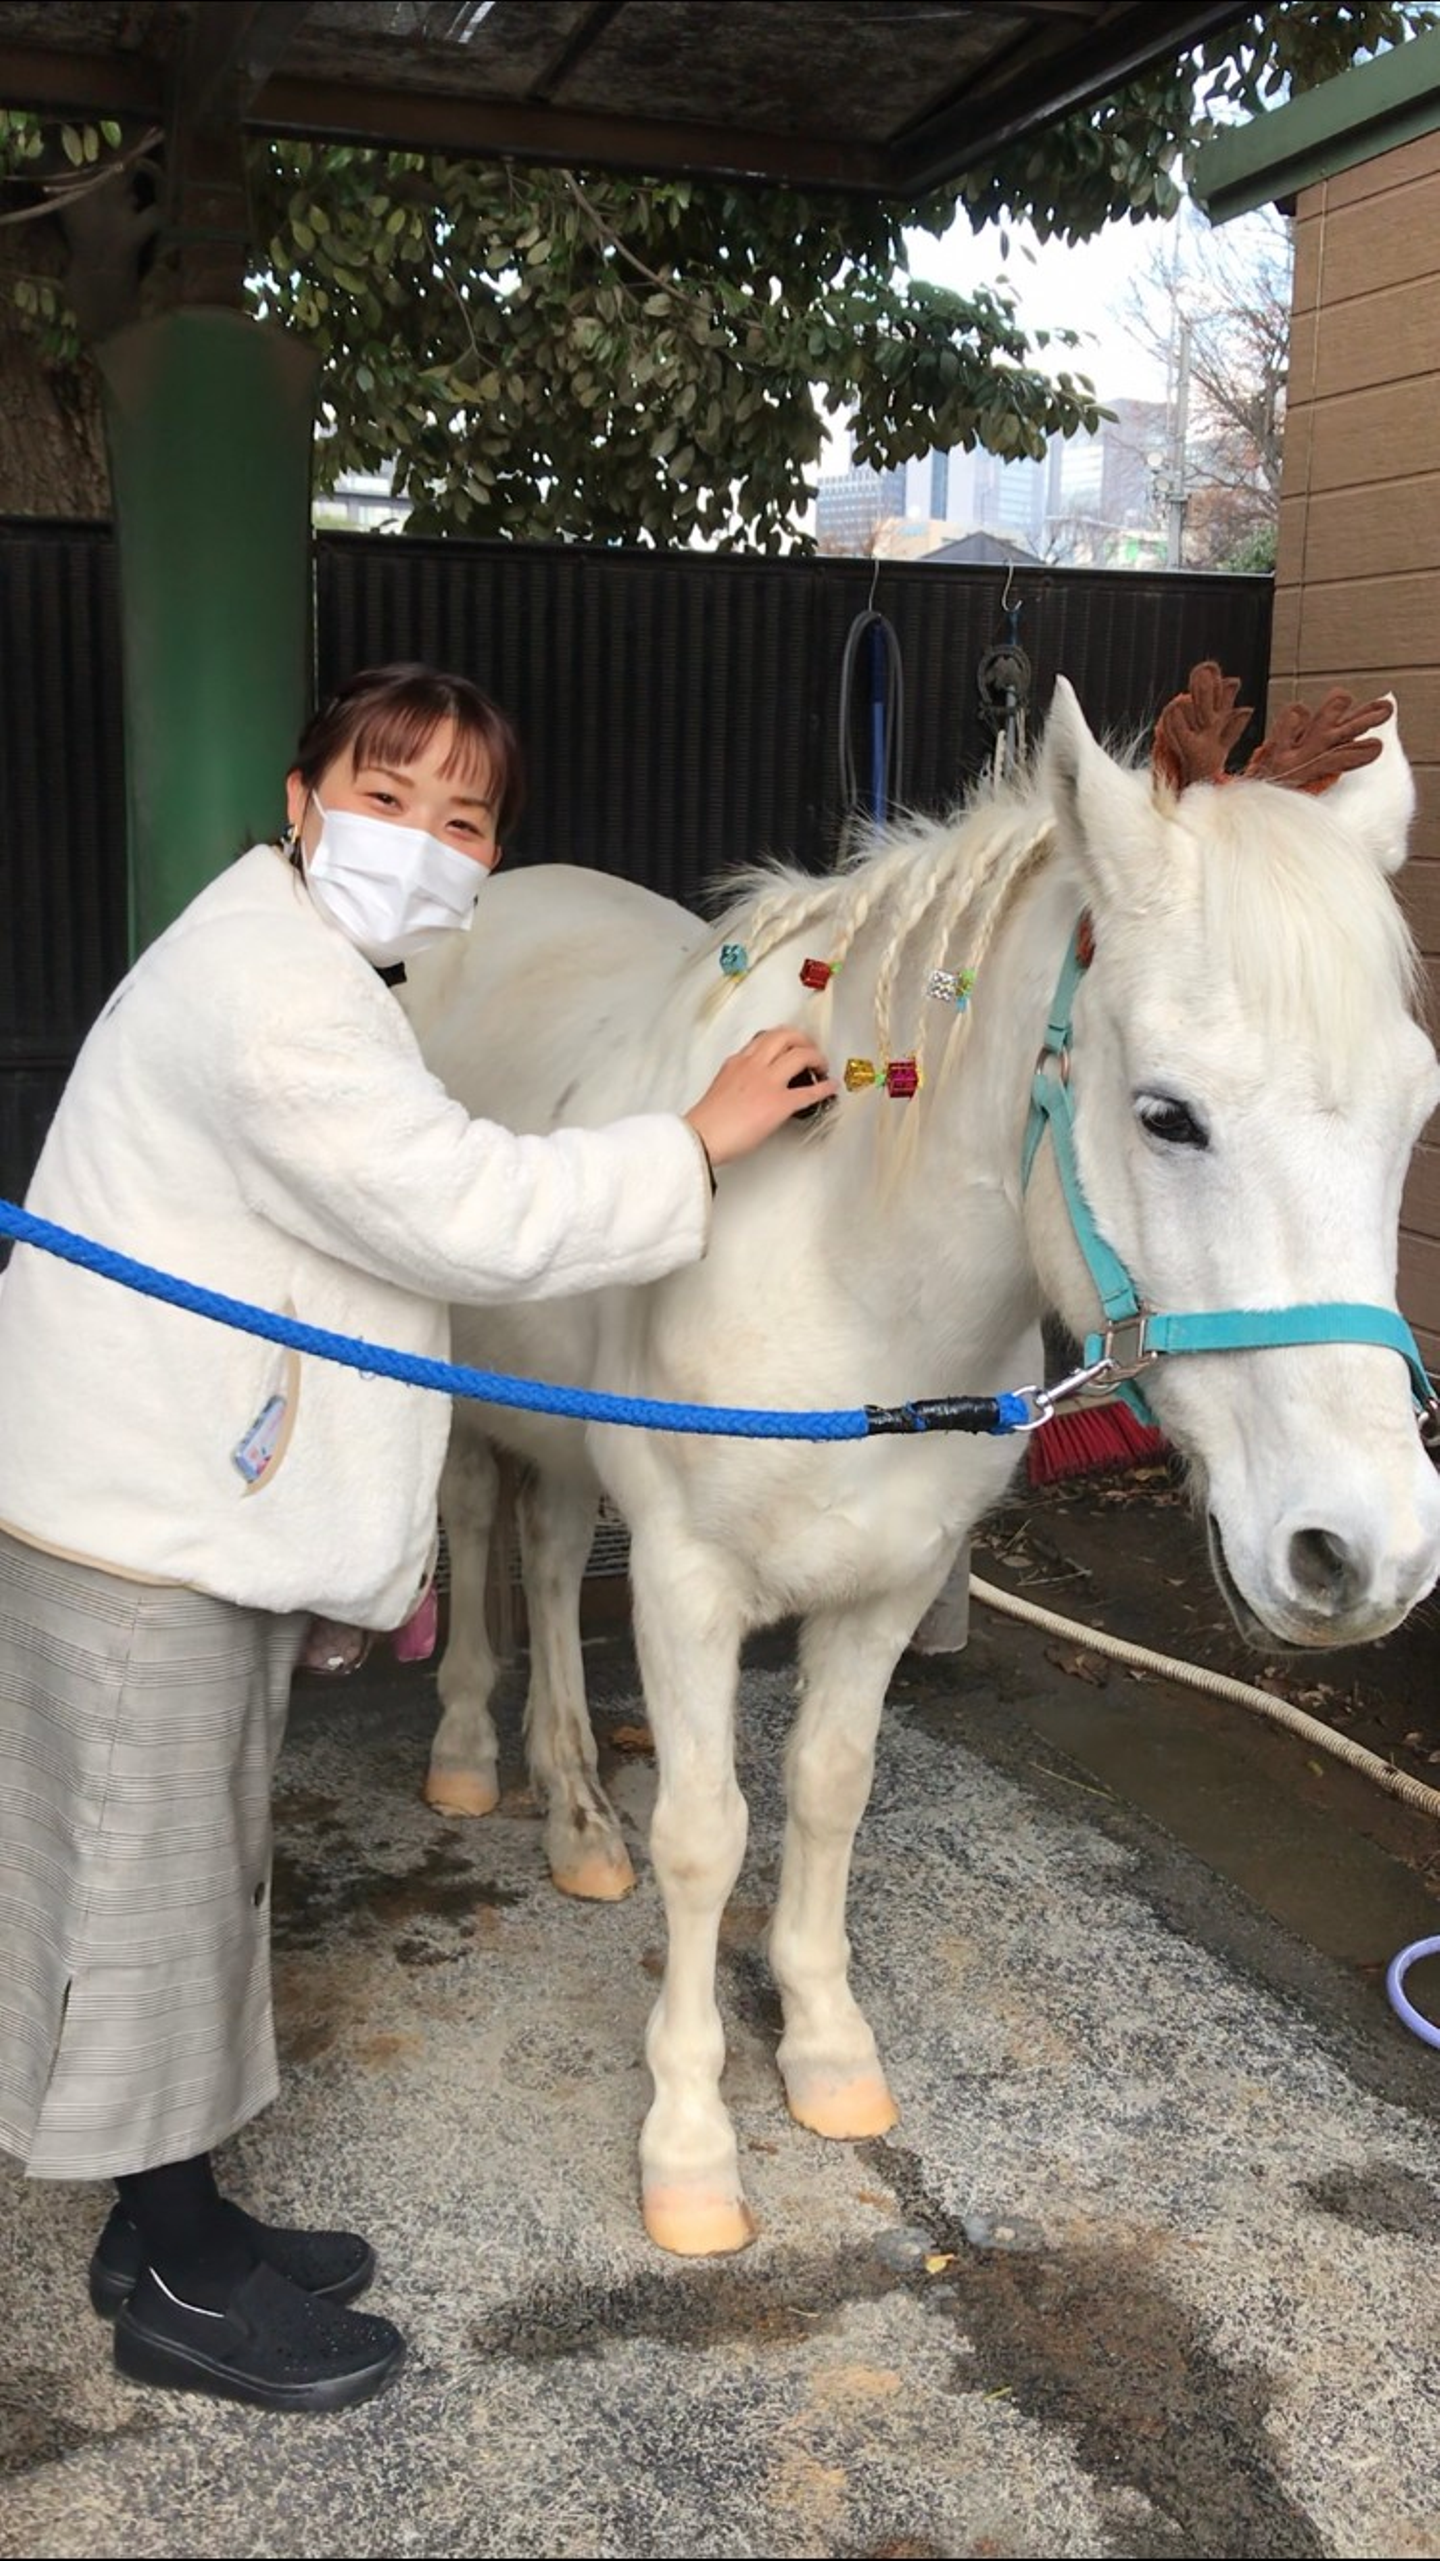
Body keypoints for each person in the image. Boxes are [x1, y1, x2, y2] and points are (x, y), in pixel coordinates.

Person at [0, 662, 836, 2415]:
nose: (424, 842)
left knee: (188, 1875)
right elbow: (460, 1207)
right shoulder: (272, 994)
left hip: (171, 1488)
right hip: (137, 1511)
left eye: (466, 820)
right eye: (386, 798)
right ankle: (178, 2282)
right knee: (146, 1892)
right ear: (301, 803)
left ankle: (166, 2220)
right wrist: (701, 1139)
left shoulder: (308, 962)